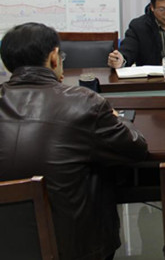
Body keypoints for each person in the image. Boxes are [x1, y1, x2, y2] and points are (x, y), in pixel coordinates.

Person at [0, 22, 148, 260]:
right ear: (54, 57)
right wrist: (117, 119)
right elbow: (136, 148)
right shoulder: (83, 102)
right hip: (75, 247)